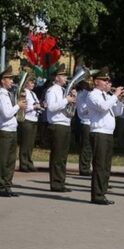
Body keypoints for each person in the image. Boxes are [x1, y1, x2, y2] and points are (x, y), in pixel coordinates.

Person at [87, 68, 124, 205]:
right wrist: (115, 95)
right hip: (99, 132)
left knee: (106, 165)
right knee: (100, 165)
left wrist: (119, 100)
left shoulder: (106, 95)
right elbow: (103, 107)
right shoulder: (93, 95)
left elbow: (117, 112)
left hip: (108, 134)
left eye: (107, 80)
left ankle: (102, 192)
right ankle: (97, 195)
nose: (107, 82)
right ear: (96, 81)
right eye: (104, 80)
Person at [45, 63, 76, 192]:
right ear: (56, 77)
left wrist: (74, 98)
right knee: (57, 156)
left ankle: (60, 182)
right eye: (63, 75)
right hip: (57, 125)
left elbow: (71, 109)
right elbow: (51, 107)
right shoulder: (52, 90)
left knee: (63, 157)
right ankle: (56, 184)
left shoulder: (63, 91)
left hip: (65, 124)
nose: (65, 78)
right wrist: (67, 100)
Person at [0, 66, 25, 197]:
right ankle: (1, 185)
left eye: (11, 79)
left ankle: (7, 185)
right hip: (4, 131)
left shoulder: (9, 94)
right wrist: (18, 106)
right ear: (2, 81)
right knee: (3, 161)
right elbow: (6, 114)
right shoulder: (1, 95)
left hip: (12, 130)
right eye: (9, 78)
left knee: (11, 161)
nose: (11, 81)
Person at [17, 69, 41, 172]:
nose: (33, 84)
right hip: (27, 120)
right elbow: (24, 107)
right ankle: (23, 164)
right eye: (31, 82)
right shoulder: (23, 93)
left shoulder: (33, 93)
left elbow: (35, 104)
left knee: (31, 143)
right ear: (26, 83)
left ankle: (29, 162)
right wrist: (34, 107)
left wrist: (41, 106)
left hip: (34, 119)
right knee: (25, 143)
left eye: (34, 82)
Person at [75, 77, 94, 176]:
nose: (90, 85)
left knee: (92, 148)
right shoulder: (81, 95)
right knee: (86, 147)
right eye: (88, 83)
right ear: (83, 85)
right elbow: (82, 110)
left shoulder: (92, 94)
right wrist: (92, 103)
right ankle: (84, 168)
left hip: (93, 123)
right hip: (86, 123)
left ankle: (89, 166)